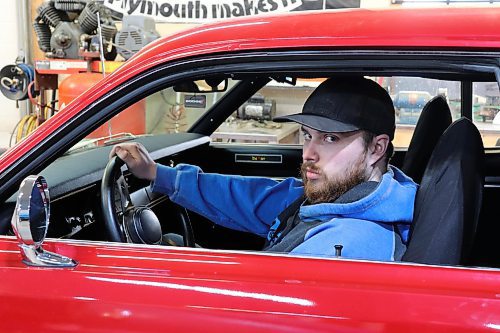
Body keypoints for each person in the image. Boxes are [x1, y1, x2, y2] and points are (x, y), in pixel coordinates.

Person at [110, 77, 417, 261]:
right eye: (308, 135)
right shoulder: (335, 196)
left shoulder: (348, 245)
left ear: (376, 148)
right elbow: (250, 197)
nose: (308, 153)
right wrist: (160, 176)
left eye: (331, 138)